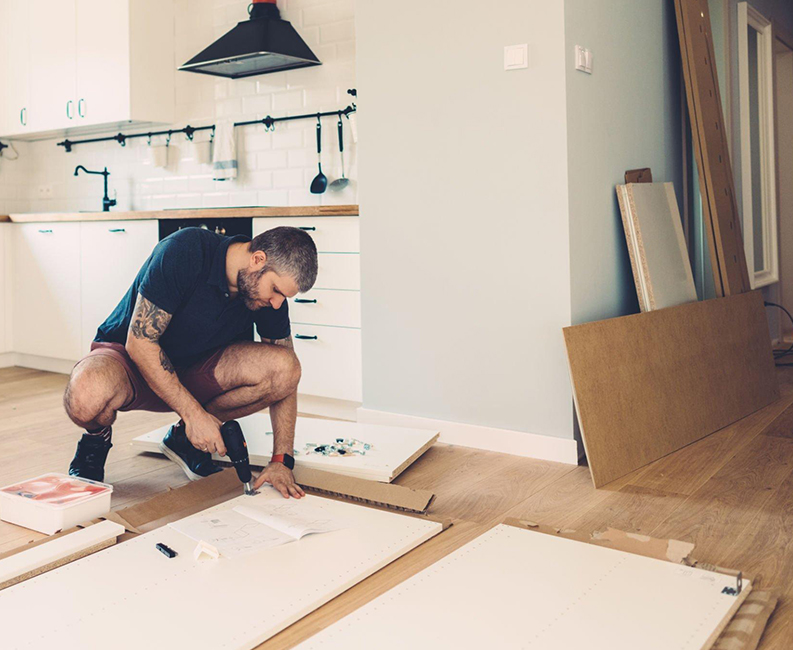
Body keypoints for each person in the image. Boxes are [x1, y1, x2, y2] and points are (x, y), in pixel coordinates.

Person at [62, 225, 318, 499]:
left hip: (197, 372)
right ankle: (95, 440)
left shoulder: (265, 298)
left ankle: (184, 440)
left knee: (286, 368)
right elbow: (139, 343)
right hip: (133, 361)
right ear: (257, 260)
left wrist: (282, 460)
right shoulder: (185, 250)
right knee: (85, 396)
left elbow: (288, 379)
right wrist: (193, 414)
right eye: (276, 290)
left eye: (284, 297)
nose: (278, 303)